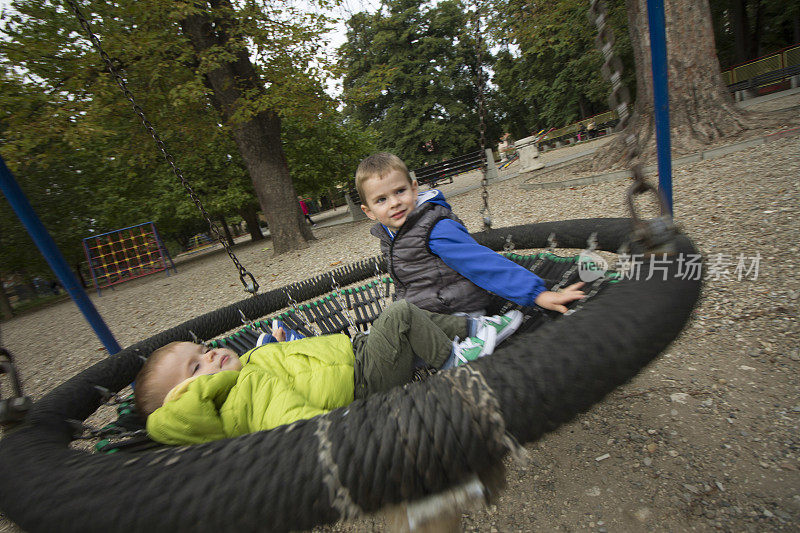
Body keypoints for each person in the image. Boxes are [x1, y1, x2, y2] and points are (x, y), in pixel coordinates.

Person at [135, 300, 523, 445]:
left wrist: (277, 342)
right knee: (401, 314)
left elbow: (283, 366)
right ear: (185, 398)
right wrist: (344, 436)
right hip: (362, 383)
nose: (212, 355)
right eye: (197, 366)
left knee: (409, 319)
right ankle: (455, 362)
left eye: (203, 349)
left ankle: (477, 328)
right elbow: (294, 420)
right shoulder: (243, 397)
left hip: (351, 357)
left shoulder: (244, 370)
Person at [356, 152, 585, 315]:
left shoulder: (434, 228)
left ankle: (481, 334)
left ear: (414, 189)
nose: (395, 203)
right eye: (382, 199)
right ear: (369, 211)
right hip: (430, 311)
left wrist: (537, 294)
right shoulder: (390, 234)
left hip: (458, 312)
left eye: (400, 191)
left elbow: (482, 263)